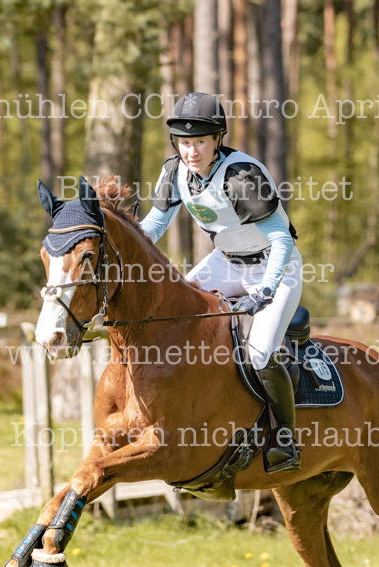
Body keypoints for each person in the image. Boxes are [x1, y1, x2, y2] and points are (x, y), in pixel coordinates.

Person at [140, 92, 303, 473]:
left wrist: (266, 290)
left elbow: (281, 240)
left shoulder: (240, 175)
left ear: (217, 139)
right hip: (225, 263)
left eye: (200, 142)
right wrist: (118, 240)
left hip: (276, 268)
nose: (191, 151)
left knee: (260, 352)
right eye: (184, 142)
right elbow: (153, 227)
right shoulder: (175, 171)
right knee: (169, 313)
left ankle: (285, 438)